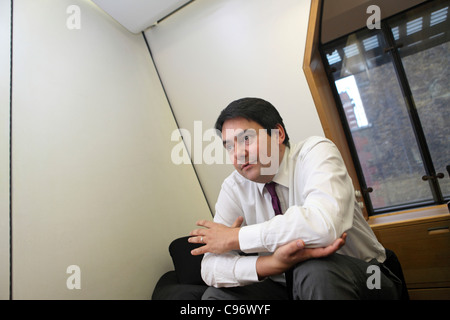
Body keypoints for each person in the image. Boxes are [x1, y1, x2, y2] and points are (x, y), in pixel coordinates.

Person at [189, 97, 401, 300]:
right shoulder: (234, 187)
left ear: (278, 133)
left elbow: (323, 226)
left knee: (315, 271)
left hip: (369, 277)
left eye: (246, 139)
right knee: (216, 296)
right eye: (229, 146)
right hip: (286, 285)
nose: (238, 154)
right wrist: (271, 264)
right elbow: (210, 268)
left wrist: (236, 237)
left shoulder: (315, 152)